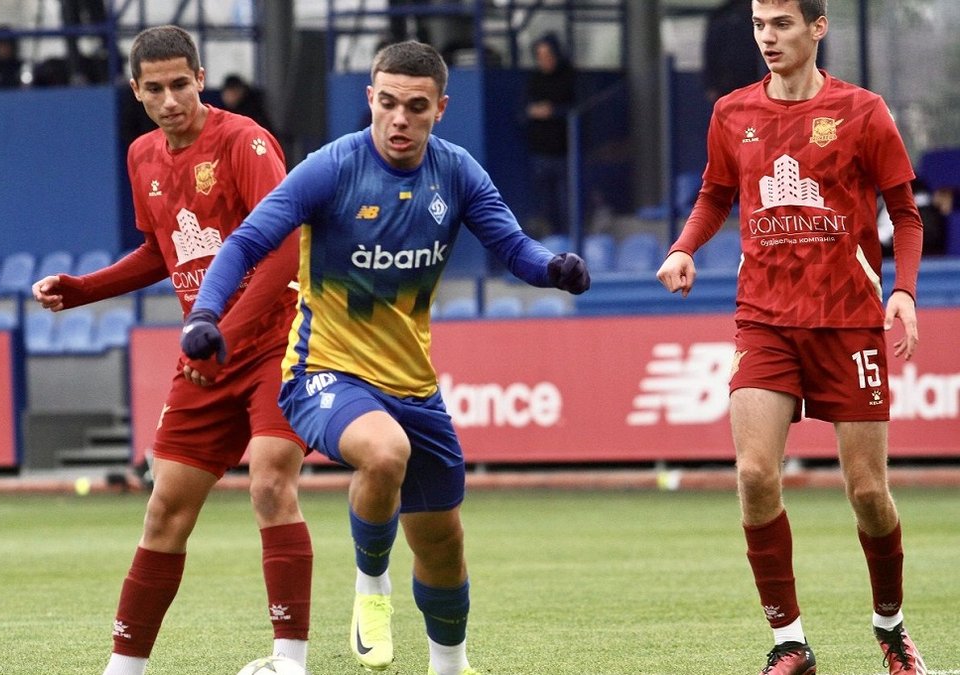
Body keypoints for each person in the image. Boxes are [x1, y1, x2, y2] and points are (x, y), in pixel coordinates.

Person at [180, 40, 591, 675]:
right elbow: (247, 242)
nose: (400, 119)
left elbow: (514, 247)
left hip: (413, 384)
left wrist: (553, 268)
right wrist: (206, 315)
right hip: (323, 371)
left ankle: (450, 665)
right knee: (384, 451)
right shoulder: (331, 168)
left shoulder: (456, 173)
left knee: (443, 544)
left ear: (440, 108)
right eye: (389, 103)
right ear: (371, 98)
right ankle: (371, 584)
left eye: (416, 107)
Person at [29, 25, 313, 675]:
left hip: (276, 341)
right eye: (154, 89)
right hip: (206, 354)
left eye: (181, 84)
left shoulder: (244, 142)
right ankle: (124, 667)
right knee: (164, 509)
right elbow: (163, 250)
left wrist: (227, 331)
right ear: (136, 90)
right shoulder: (142, 156)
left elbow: (287, 246)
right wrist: (84, 289)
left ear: (201, 78)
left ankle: (289, 660)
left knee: (270, 482)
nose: (170, 100)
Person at [656, 2, 927, 674]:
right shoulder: (732, 113)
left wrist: (903, 289)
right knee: (754, 475)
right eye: (759, 24)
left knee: (867, 493)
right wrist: (685, 246)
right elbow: (715, 194)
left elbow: (905, 213)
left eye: (781, 23)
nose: (767, 37)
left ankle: (890, 626)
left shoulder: (863, 111)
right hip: (766, 318)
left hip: (848, 321)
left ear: (817, 27)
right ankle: (790, 642)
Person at [523, 32, 575, 238]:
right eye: (540, 56)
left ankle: (570, 237)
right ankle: (549, 239)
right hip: (540, 151)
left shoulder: (569, 78)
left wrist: (553, 111)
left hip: (564, 151)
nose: (544, 60)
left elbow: (576, 109)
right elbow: (522, 110)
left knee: (566, 200)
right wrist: (532, 111)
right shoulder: (534, 80)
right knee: (544, 200)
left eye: (548, 55)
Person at [702, 0, 769, 101]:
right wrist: (711, 84)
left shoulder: (761, 13)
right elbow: (711, 52)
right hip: (728, 82)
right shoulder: (721, 15)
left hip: (755, 79)